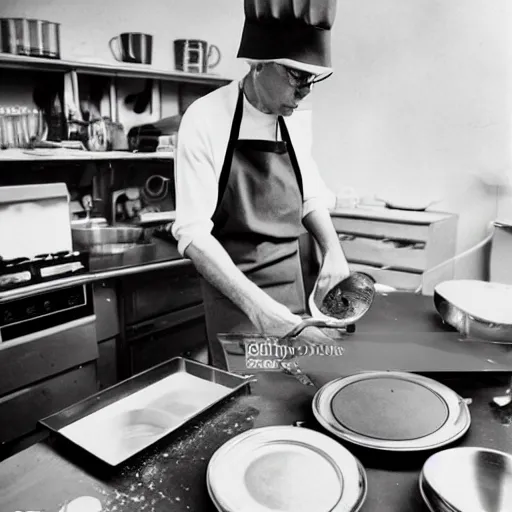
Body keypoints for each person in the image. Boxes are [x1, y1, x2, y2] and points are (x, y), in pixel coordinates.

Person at [172, 0, 350, 369]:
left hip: (292, 289)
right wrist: (261, 311)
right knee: (252, 406)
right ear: (257, 63)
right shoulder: (205, 118)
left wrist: (333, 250)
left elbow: (310, 193)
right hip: (237, 299)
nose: (304, 92)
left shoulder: (295, 119)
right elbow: (193, 234)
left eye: (311, 79)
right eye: (296, 76)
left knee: (299, 397)